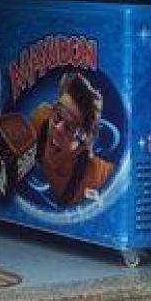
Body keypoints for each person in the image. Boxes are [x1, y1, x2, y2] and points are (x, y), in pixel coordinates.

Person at [31, 71, 113, 207]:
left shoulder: (100, 176)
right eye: (58, 115)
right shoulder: (40, 120)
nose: (58, 128)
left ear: (84, 143)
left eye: (69, 127)